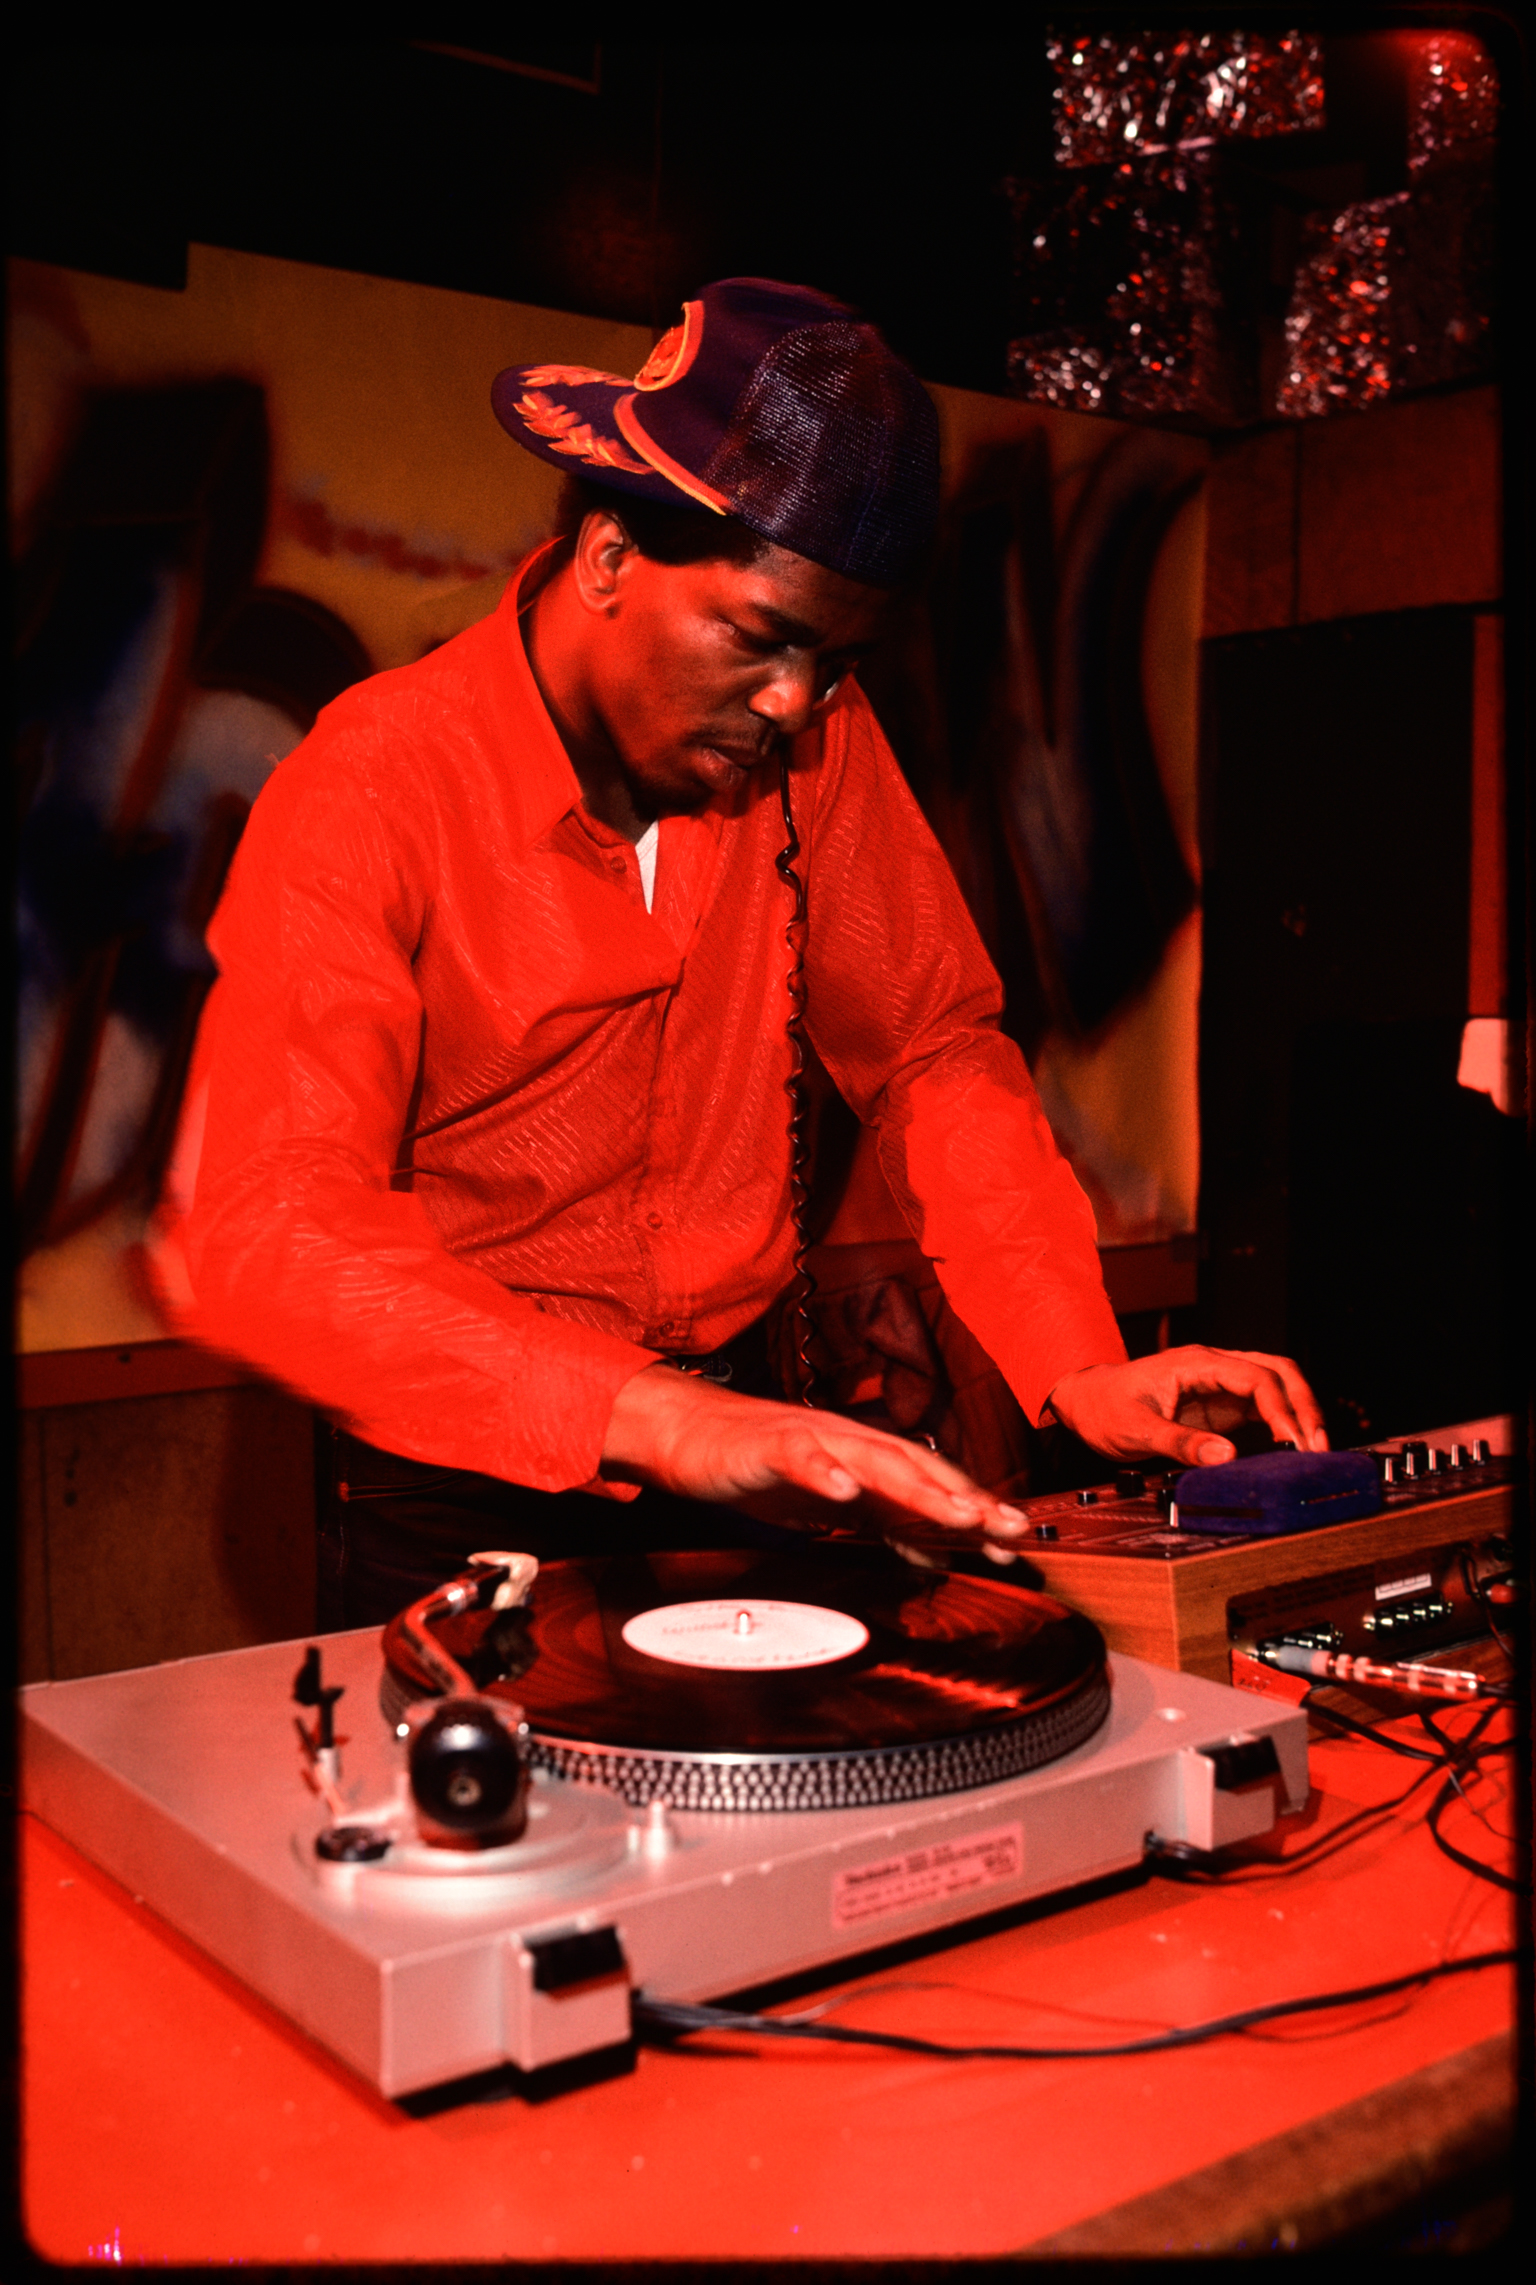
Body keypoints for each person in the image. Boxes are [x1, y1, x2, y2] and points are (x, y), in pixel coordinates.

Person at [149, 277, 1326, 1624]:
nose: (796, 702)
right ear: (606, 560)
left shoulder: (817, 744)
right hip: (460, 1477)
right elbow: (274, 1223)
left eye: (836, 662)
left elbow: (934, 1049)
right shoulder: (373, 780)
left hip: (740, 1433)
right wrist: (644, 1410)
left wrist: (1074, 1362)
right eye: (762, 638)